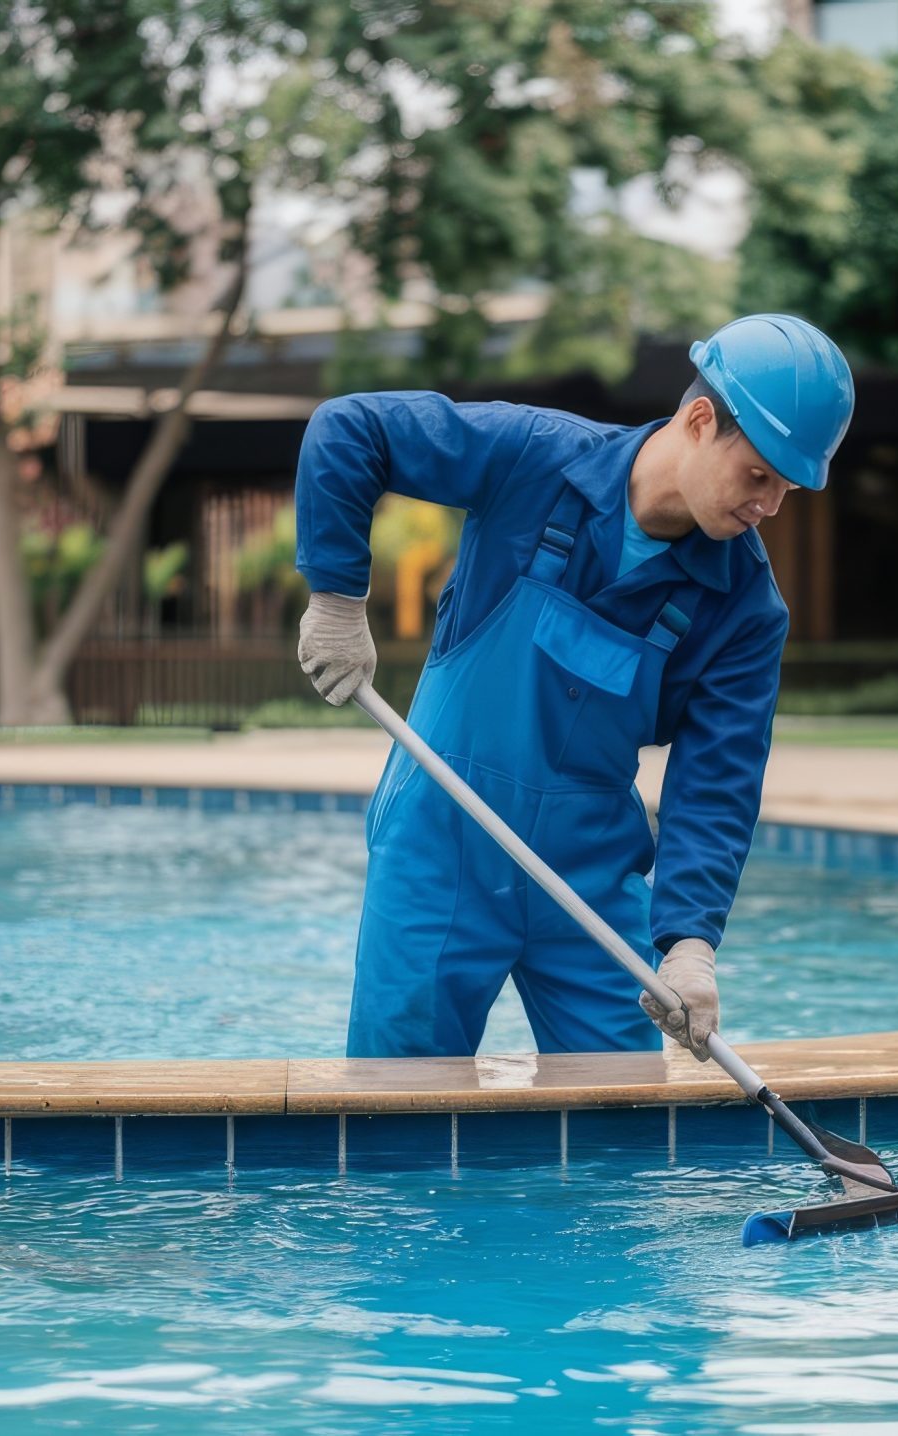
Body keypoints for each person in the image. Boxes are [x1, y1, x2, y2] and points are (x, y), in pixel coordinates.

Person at [293, 314, 855, 1061]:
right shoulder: (535, 457)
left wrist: (690, 943)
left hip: (590, 871)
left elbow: (717, 782)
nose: (770, 505)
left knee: (623, 1111)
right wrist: (336, 597)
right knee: (397, 1104)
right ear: (699, 421)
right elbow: (349, 429)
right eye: (759, 475)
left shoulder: (746, 609)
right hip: (440, 839)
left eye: (787, 488)